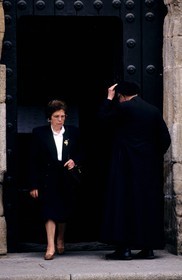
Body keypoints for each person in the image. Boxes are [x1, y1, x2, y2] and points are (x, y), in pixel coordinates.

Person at [98, 81, 171, 260]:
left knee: (123, 205)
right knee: (146, 205)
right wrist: (152, 157)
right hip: (148, 169)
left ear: (121, 95)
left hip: (125, 167)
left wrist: (108, 98)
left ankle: (124, 249)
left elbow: (102, 120)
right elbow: (165, 139)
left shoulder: (124, 108)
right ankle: (148, 248)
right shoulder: (152, 110)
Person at [29, 99, 82, 260]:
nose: (60, 119)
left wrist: (75, 161)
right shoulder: (39, 133)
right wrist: (33, 185)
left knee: (63, 210)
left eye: (63, 116)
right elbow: (32, 160)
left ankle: (60, 238)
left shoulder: (73, 132)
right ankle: (50, 245)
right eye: (56, 116)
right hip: (47, 177)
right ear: (49, 118)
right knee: (49, 211)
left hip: (66, 176)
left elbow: (83, 152)